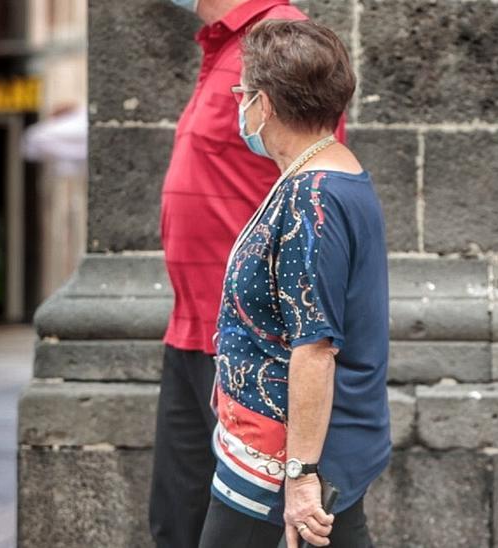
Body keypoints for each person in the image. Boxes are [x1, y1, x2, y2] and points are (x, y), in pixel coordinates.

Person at [149, 1, 345, 547]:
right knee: (175, 526)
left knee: (237, 533)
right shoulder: (220, 45)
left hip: (247, 345)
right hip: (189, 332)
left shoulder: (281, 39)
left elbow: (314, 183)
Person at [193, 19, 389, 548]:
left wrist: (300, 478)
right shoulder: (326, 177)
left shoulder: (313, 197)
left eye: (243, 93)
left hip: (279, 455)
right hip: (291, 444)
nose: (240, 104)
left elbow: (315, 348)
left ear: (266, 104)